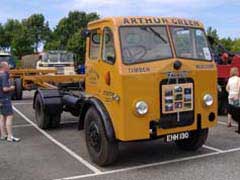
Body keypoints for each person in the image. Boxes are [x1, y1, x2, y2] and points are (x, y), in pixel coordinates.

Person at [0, 61, 20, 142]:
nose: (9, 67)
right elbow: (5, 89)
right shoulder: (3, 75)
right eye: (8, 66)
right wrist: (12, 88)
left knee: (1, 117)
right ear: (4, 67)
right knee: (9, 116)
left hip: (0, 99)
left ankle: (3, 135)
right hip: (5, 99)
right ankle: (10, 136)